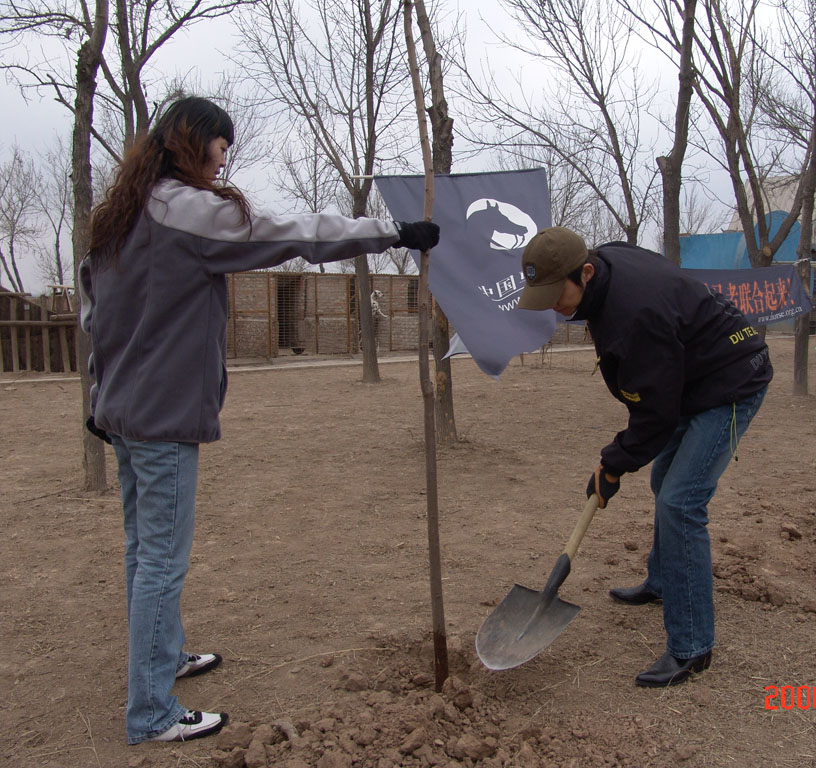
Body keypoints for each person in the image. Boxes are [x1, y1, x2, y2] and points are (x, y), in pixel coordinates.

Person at [80, 96, 439, 745]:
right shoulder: (185, 212)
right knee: (161, 560)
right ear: (195, 144)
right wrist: (392, 233)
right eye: (220, 149)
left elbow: (94, 316)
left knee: (144, 553)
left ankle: (163, 658)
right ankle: (151, 712)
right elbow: (292, 234)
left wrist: (99, 396)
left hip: (126, 414)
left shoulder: (121, 217)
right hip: (160, 418)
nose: (224, 163)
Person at [517, 227, 772, 688]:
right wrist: (616, 461)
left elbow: (655, 416)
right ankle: (663, 580)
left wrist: (613, 462)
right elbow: (656, 399)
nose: (554, 304)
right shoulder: (607, 266)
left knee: (680, 501)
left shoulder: (636, 314)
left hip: (729, 381)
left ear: (586, 271)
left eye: (558, 293)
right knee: (663, 486)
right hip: (690, 376)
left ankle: (692, 645)